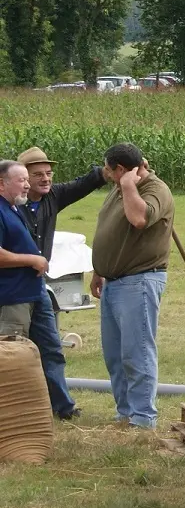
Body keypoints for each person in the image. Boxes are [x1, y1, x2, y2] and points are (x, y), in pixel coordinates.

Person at [17, 146, 106, 419]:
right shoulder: (8, 204)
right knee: (14, 349)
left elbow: (83, 184)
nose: (45, 179)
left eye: (49, 174)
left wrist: (108, 171)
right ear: (23, 178)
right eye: (38, 174)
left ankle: (62, 407)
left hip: (38, 285)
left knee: (51, 346)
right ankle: (18, 408)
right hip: (10, 288)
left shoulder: (52, 197)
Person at [91, 143, 175, 430]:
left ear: (121, 169)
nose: (108, 175)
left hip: (138, 280)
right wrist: (99, 270)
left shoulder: (155, 189)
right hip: (113, 281)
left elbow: (138, 219)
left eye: (110, 170)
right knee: (115, 354)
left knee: (136, 352)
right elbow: (109, 230)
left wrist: (128, 184)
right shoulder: (119, 188)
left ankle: (143, 418)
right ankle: (125, 412)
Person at [0, 161, 49, 340]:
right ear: (1, 183)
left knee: (48, 348)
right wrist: (32, 260)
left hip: (31, 292)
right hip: (12, 297)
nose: (28, 185)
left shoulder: (13, 207)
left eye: (28, 180)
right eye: (22, 180)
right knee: (13, 353)